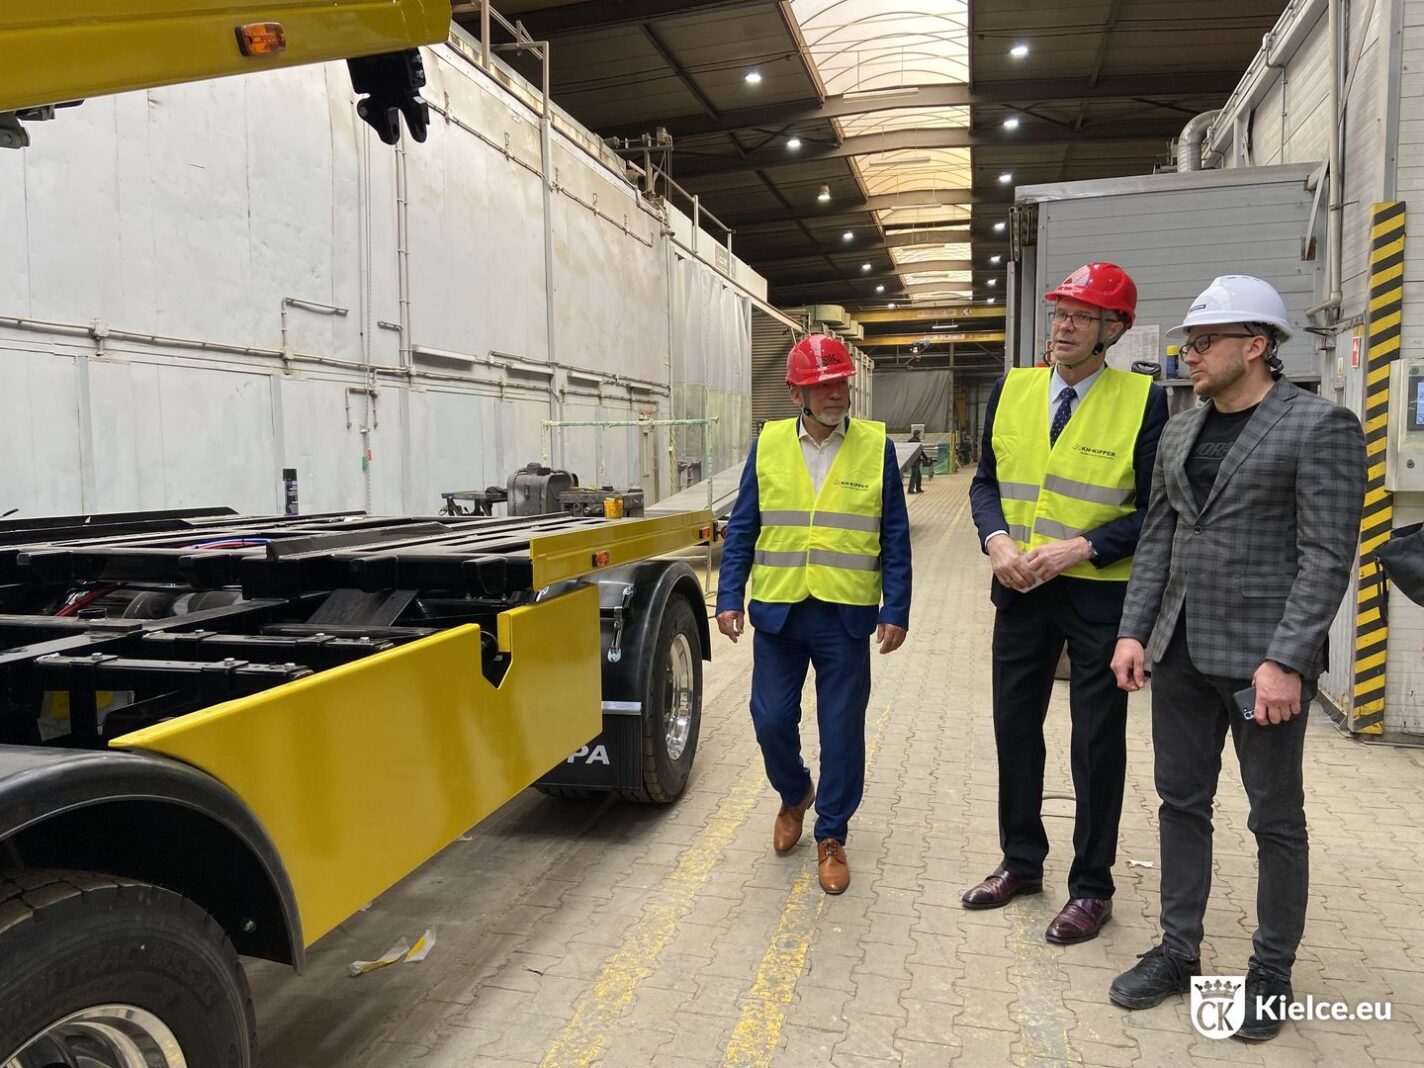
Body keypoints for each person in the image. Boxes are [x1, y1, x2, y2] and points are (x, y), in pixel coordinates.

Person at [1107, 276, 1365, 1041]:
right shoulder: (1181, 431)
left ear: (1256, 346)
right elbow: (1159, 538)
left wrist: (1287, 660)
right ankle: (1178, 950)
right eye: (1188, 343)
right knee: (1180, 803)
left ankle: (1271, 973)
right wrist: (1133, 631)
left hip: (1263, 666)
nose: (1188, 355)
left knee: (1274, 818)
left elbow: (1326, 556)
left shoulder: (1319, 426)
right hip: (1181, 652)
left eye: (1202, 342)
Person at [964, 263, 1168, 944]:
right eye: (1061, 313)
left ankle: (1091, 888)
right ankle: (1021, 862)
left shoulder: (1143, 402)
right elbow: (985, 482)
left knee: (1095, 742)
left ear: (1115, 330)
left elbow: (1155, 512)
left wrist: (1081, 547)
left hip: (1099, 598)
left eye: (1082, 317)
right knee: (1015, 729)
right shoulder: (1012, 390)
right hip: (1020, 590)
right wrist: (996, 540)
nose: (1064, 327)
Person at [716, 333, 912, 894]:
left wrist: (896, 606)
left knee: (842, 730)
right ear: (796, 392)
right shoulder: (768, 445)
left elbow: (894, 535)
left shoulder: (876, 447)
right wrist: (728, 595)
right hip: (779, 613)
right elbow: (743, 528)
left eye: (840, 383)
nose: (835, 394)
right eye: (822, 385)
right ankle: (795, 792)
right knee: (770, 720)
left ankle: (831, 834)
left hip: (844, 615)